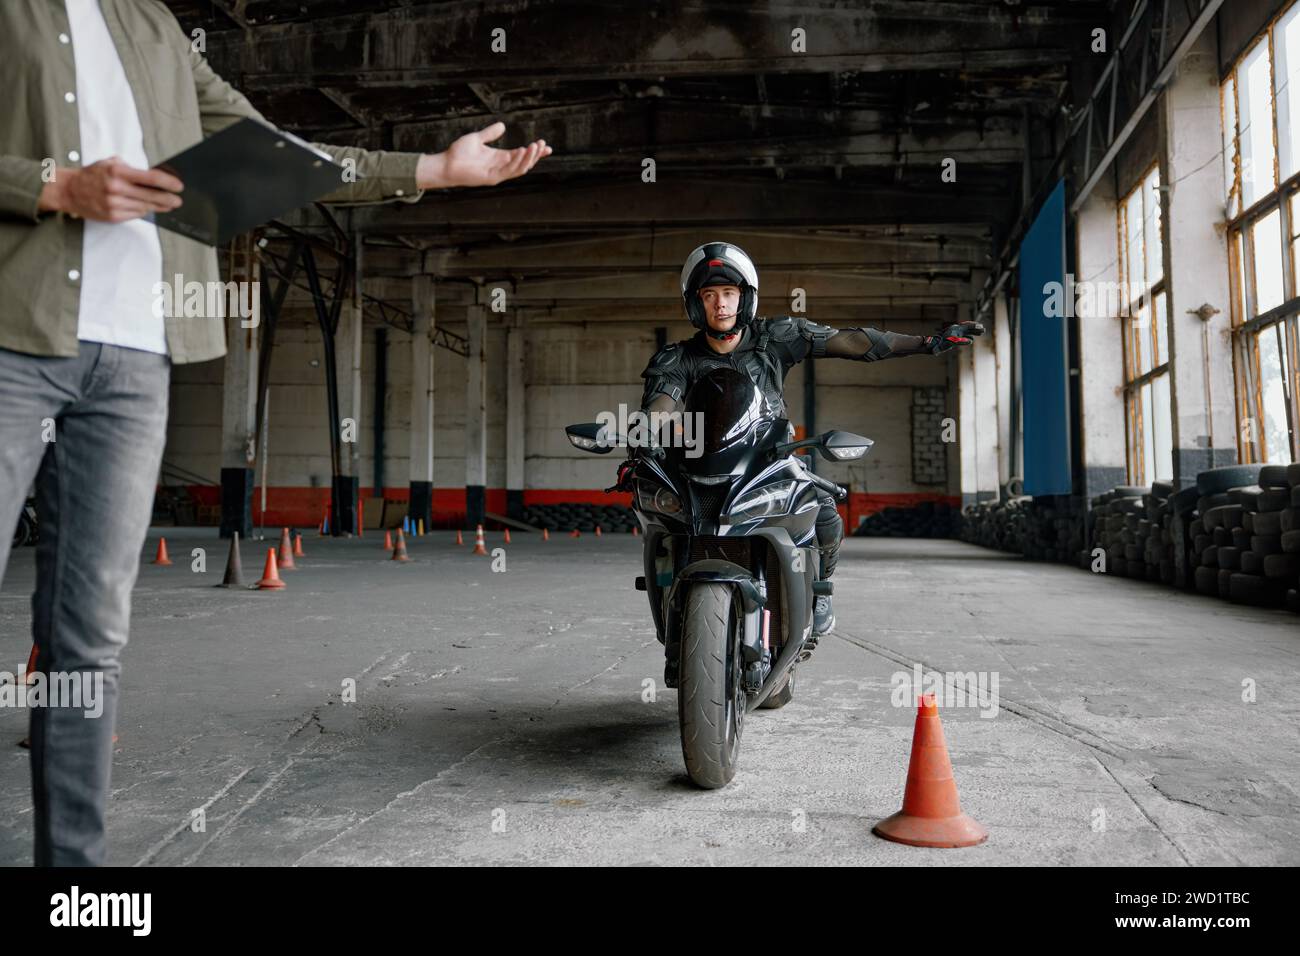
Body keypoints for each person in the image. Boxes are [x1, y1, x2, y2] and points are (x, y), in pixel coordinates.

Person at [0, 0, 551, 866]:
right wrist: (50, 186)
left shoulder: (153, 31)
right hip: (13, 337)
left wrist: (433, 170)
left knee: (87, 639)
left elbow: (280, 157)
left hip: (136, 355)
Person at [638, 241, 981, 637]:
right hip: (702, 467)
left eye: (729, 293)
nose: (721, 304)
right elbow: (661, 405)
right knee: (664, 525)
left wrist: (928, 343)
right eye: (710, 295)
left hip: (767, 460)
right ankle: (675, 606)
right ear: (697, 304)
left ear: (744, 298)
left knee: (824, 510)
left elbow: (852, 342)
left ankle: (821, 591)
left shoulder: (776, 336)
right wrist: (645, 431)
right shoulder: (677, 358)